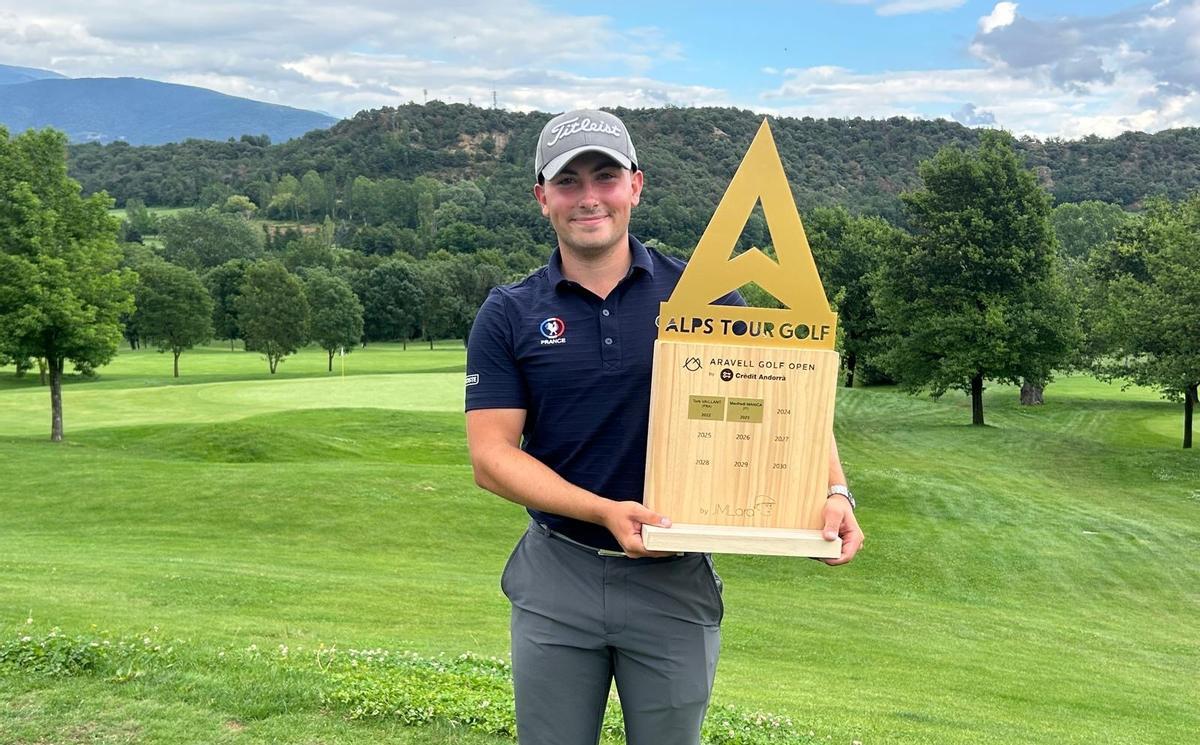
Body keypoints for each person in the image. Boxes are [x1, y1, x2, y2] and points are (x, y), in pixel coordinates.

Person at [465, 109, 864, 745]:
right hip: (558, 573)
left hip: (674, 582)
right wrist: (604, 512)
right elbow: (491, 458)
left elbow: (787, 398)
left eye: (605, 177)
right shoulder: (509, 312)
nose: (588, 197)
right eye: (567, 182)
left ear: (636, 186)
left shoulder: (706, 296)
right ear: (542, 197)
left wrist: (834, 491)